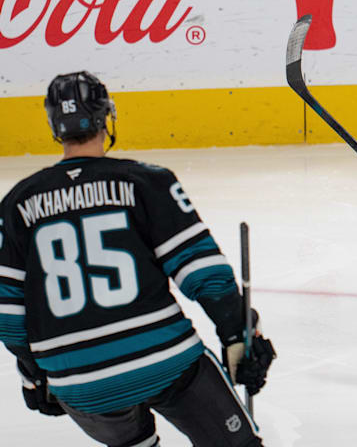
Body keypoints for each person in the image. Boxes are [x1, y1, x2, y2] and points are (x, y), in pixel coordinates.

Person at [0, 72, 276, 446]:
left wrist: (34, 374)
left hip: (80, 382)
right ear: (105, 118)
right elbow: (203, 272)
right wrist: (237, 334)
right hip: (163, 359)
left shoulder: (16, 204)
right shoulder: (146, 182)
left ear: (54, 127)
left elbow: (8, 315)